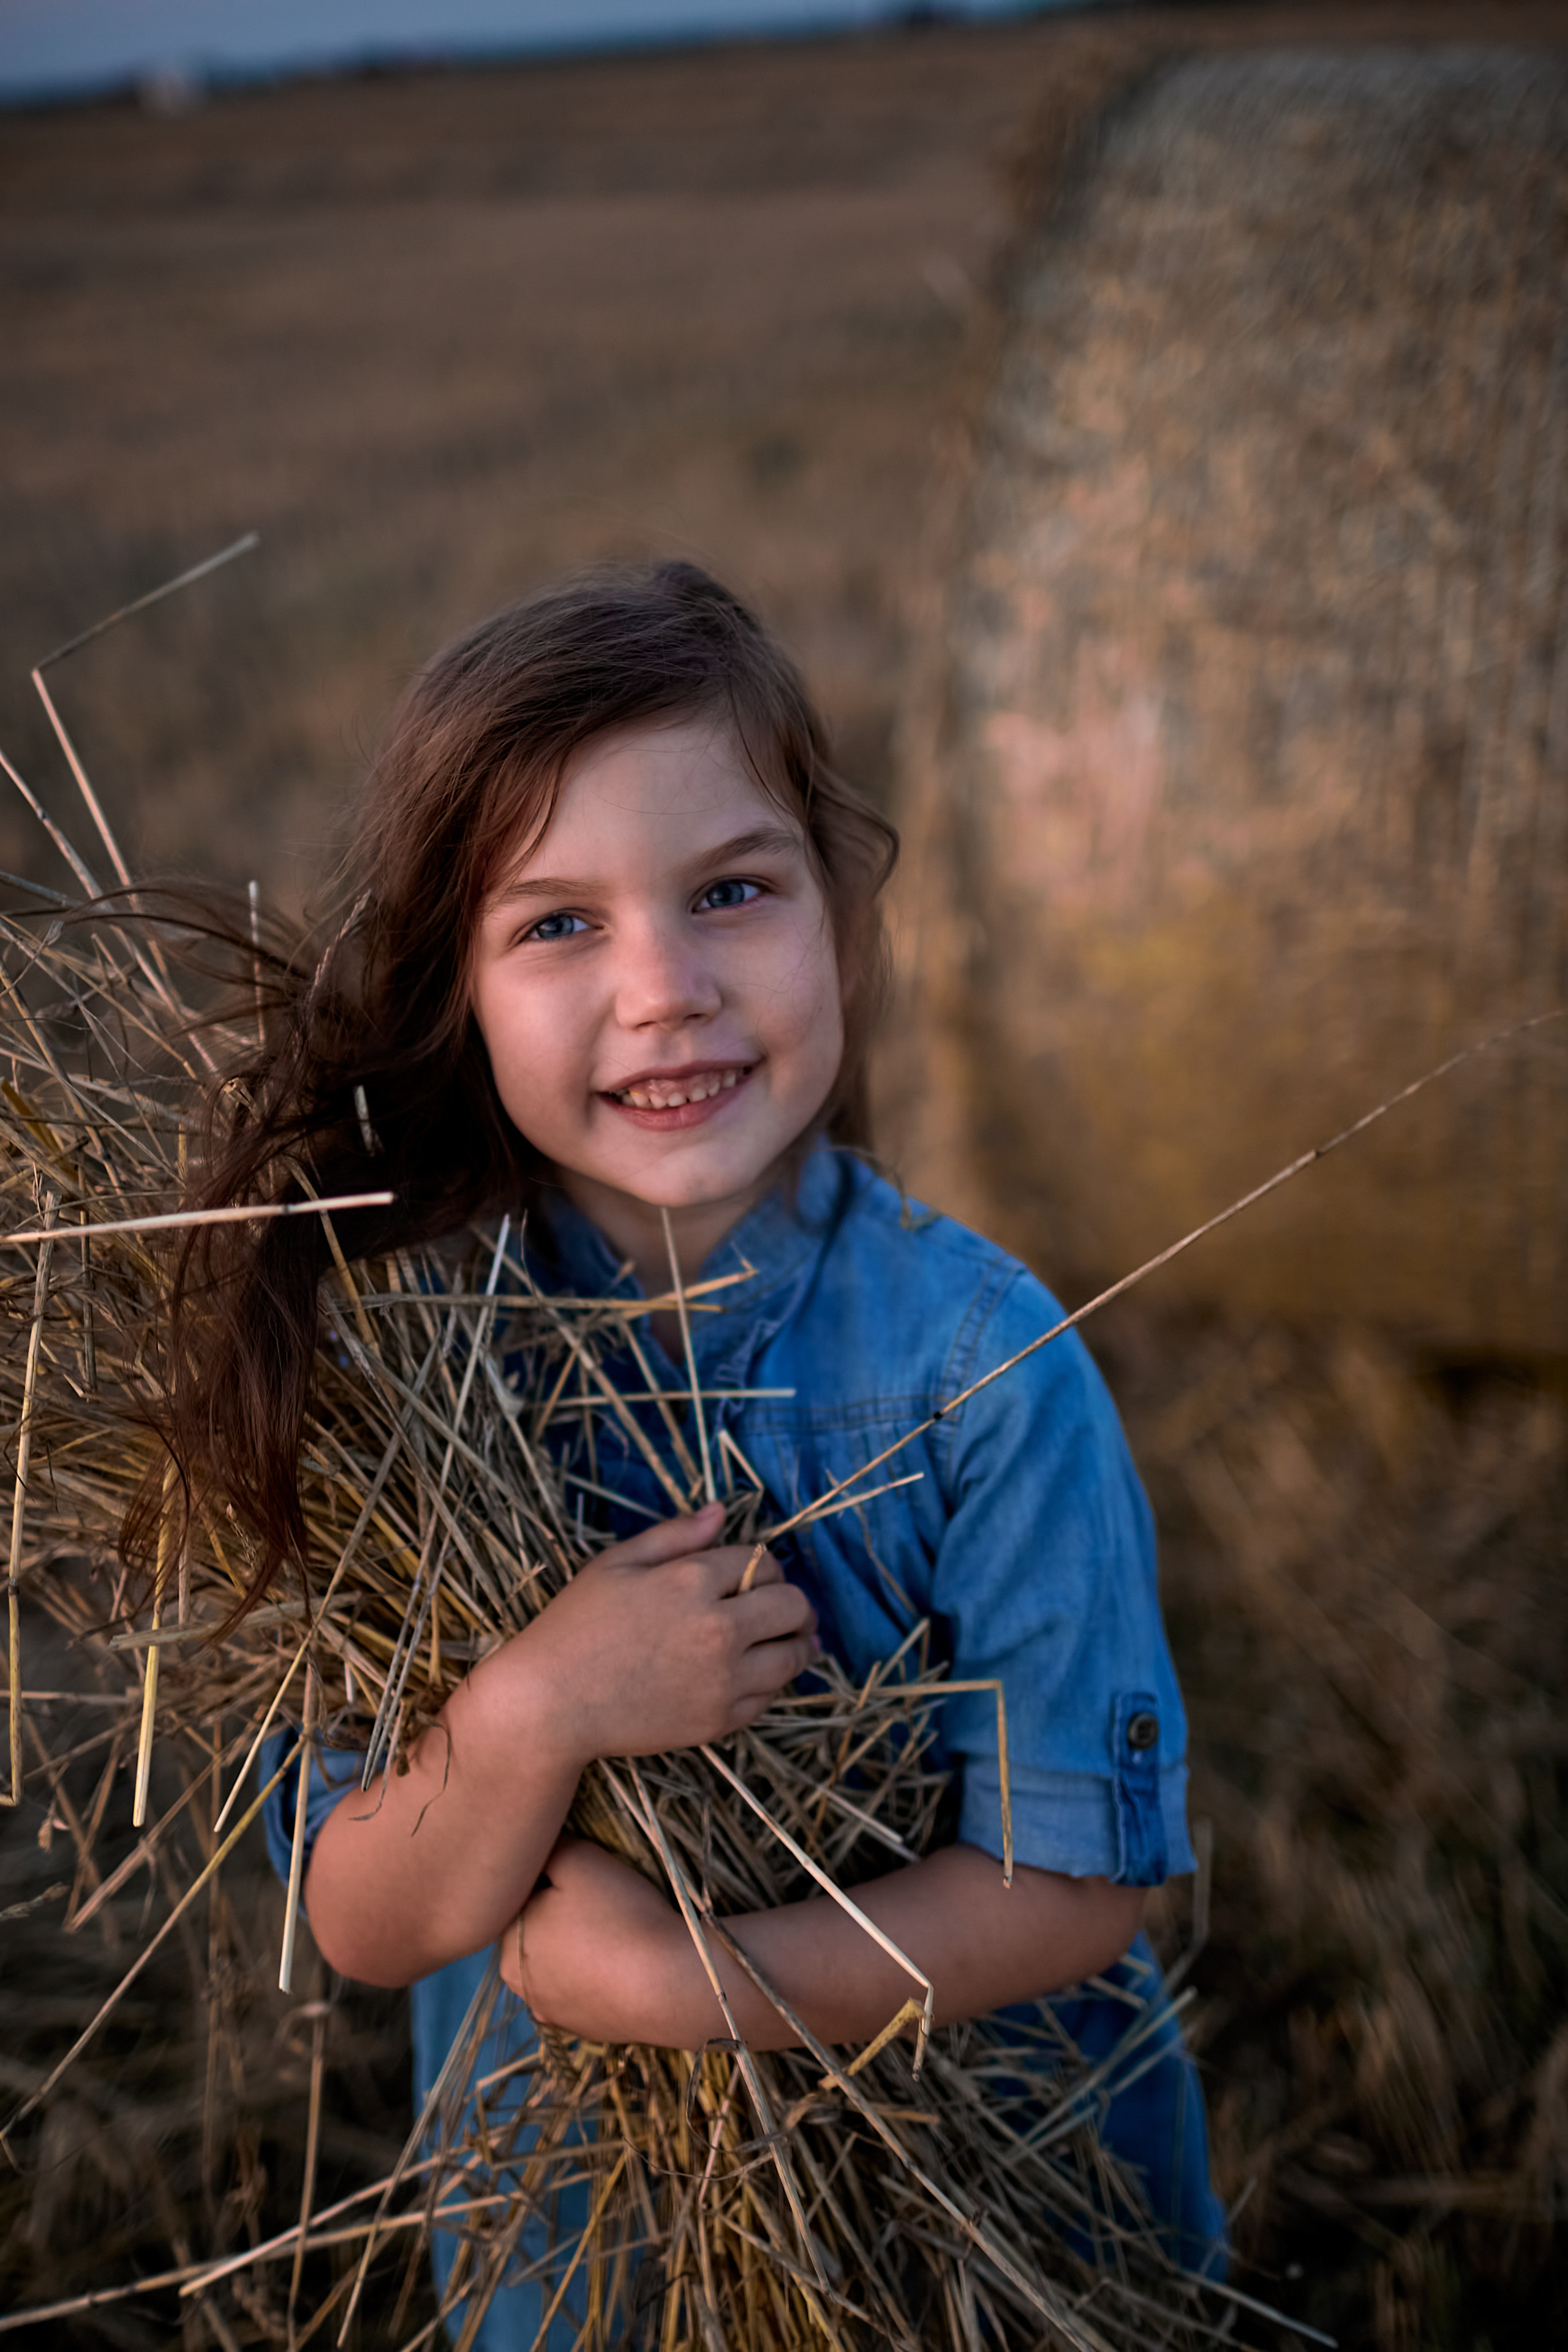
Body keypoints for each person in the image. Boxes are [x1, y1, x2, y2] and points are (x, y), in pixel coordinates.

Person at [142, 562, 1225, 2342]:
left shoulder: (987, 1369)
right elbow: (364, 1916)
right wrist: (534, 1711)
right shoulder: (389, 1381)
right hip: (578, 2236)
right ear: (457, 993)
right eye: (558, 926)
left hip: (996, 2231)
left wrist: (688, 1984)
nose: (666, 990)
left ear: (839, 925)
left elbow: (1073, 1892)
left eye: (731, 890)